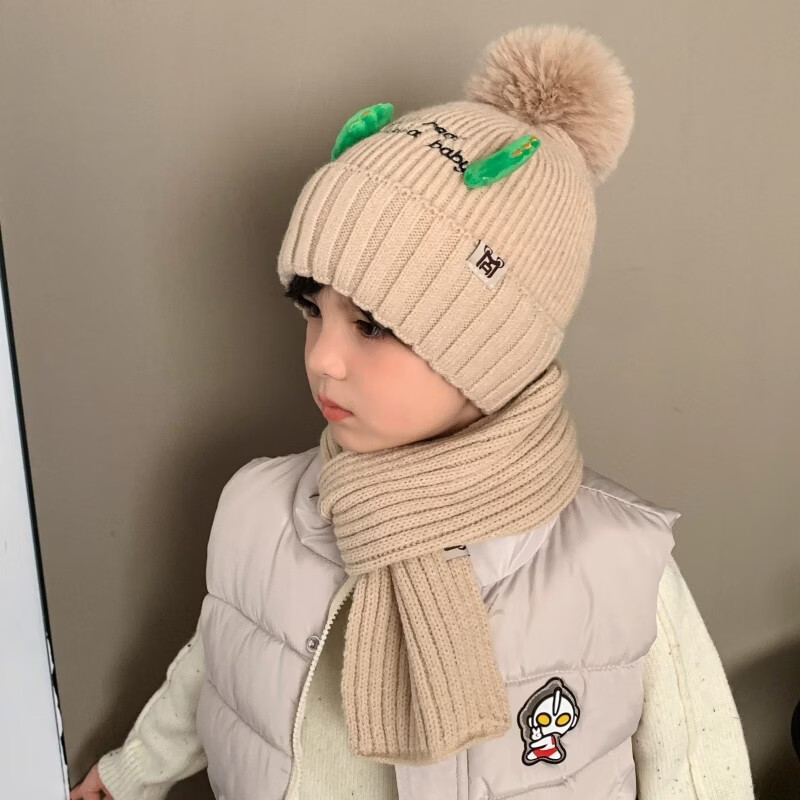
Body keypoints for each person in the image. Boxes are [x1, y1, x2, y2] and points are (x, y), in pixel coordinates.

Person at [70, 22, 755, 800]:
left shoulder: (616, 567)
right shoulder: (257, 511)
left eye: (371, 325)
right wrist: (130, 773)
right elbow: (222, 661)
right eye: (312, 309)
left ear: (494, 349)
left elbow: (701, 769)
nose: (324, 358)